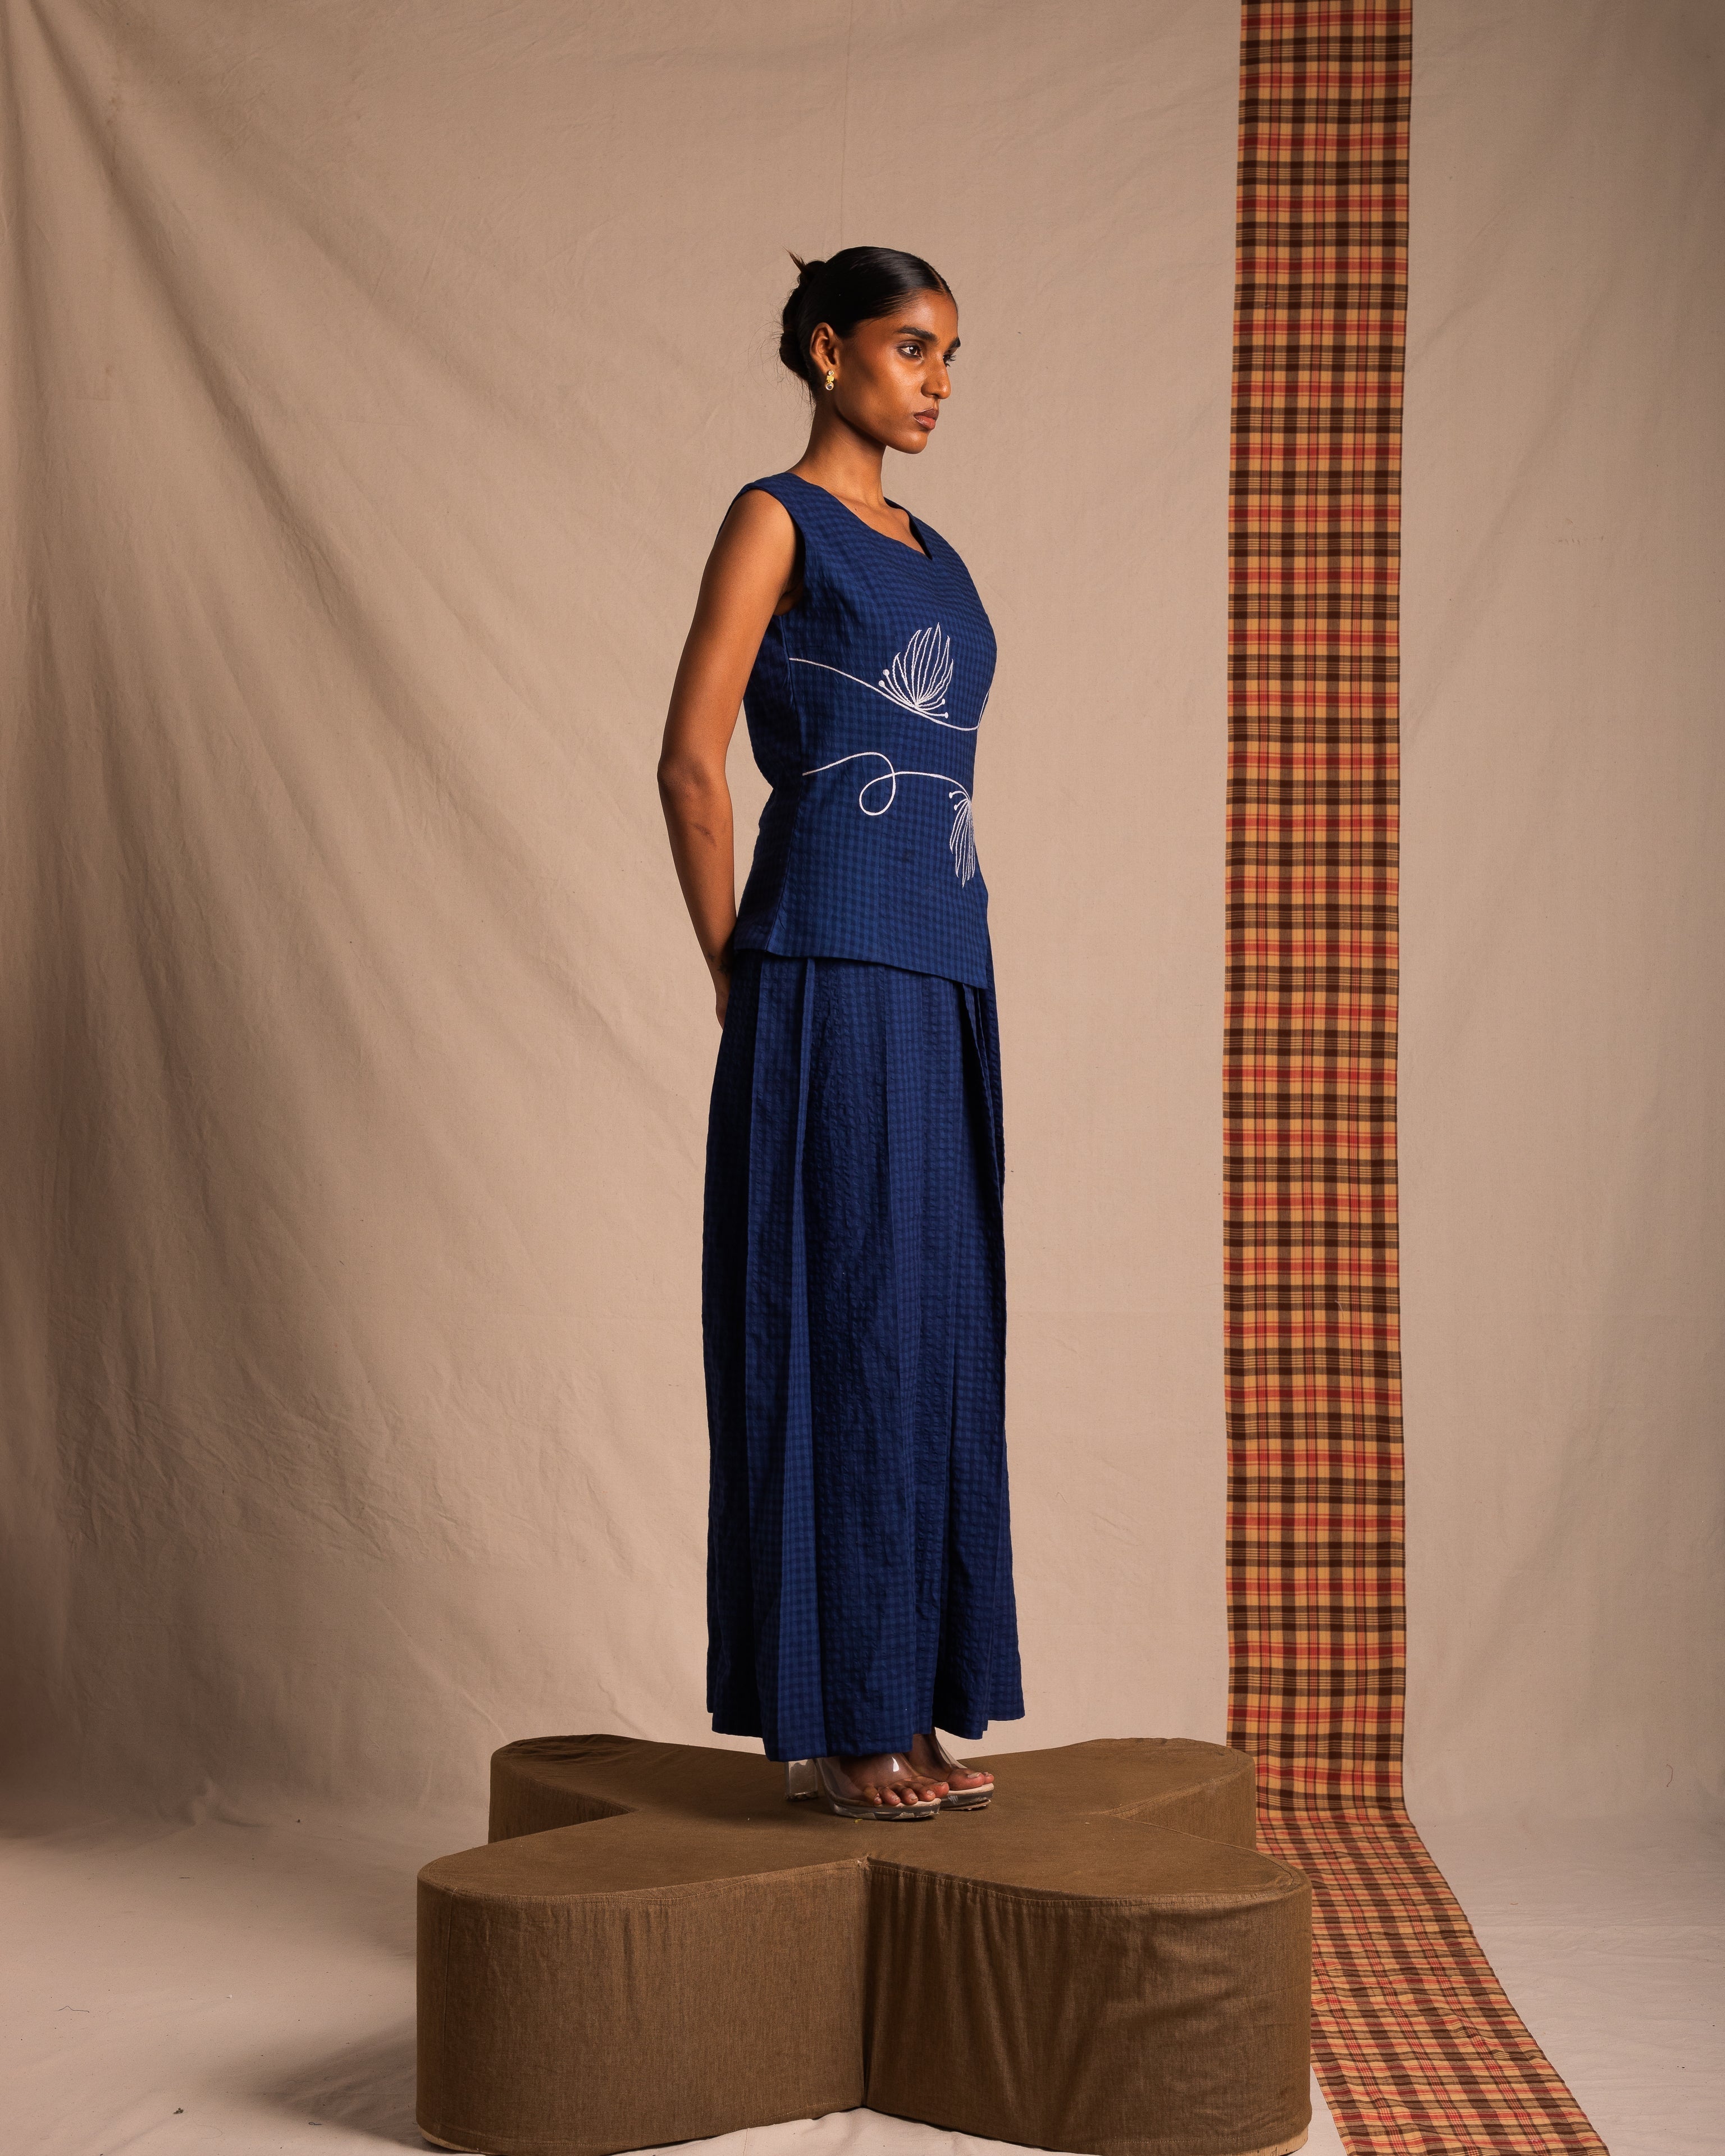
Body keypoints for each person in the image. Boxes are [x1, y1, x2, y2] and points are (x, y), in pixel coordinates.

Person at [657, 247, 1023, 1820]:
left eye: (951, 355)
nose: (938, 378)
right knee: (851, 1325)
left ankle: (921, 1708)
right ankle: (852, 1717)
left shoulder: (933, 551)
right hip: (829, 968)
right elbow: (688, 761)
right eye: (911, 348)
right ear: (827, 353)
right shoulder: (775, 517)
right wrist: (740, 963)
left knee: (938, 1333)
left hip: (945, 972)